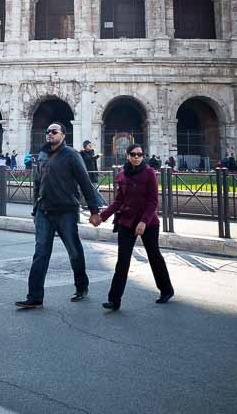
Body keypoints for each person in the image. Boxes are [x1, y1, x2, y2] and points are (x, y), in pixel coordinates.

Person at [16, 123, 100, 309]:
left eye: (54, 132)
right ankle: (34, 296)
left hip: (66, 211)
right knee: (40, 254)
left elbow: (85, 183)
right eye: (47, 132)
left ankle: (81, 287)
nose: (49, 134)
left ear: (63, 135)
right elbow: (38, 182)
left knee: (74, 251)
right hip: (44, 211)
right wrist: (35, 208)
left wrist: (94, 211)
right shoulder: (43, 154)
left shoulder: (71, 154)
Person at [91, 143, 174, 311]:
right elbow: (118, 201)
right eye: (133, 154)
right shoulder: (122, 175)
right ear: (127, 156)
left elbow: (153, 201)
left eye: (140, 154)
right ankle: (114, 300)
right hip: (127, 221)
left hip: (148, 222)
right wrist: (102, 217)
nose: (137, 157)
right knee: (122, 260)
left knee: (154, 256)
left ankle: (166, 290)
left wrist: (144, 222)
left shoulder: (149, 173)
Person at [78, 140, 105, 210]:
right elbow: (88, 159)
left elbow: (94, 164)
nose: (90, 146)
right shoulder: (82, 153)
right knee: (88, 191)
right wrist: (97, 156)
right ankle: (101, 205)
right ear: (85, 146)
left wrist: (97, 173)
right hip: (87, 175)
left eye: (91, 145)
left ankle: (99, 206)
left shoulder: (91, 152)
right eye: (89, 145)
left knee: (95, 191)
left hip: (93, 175)